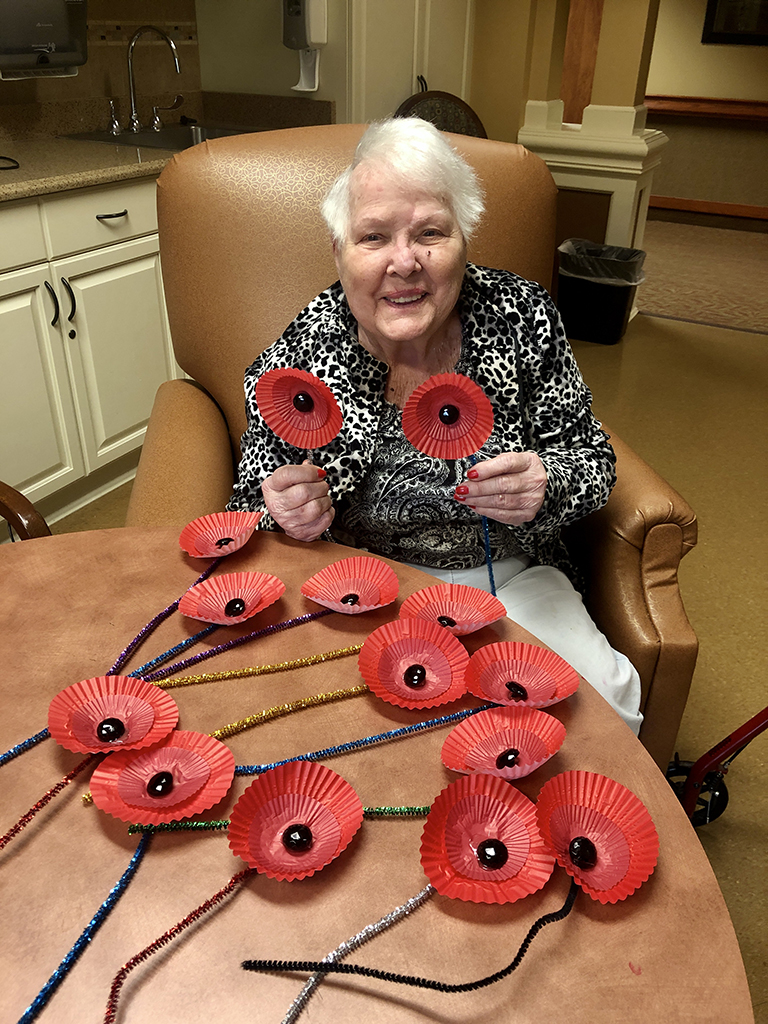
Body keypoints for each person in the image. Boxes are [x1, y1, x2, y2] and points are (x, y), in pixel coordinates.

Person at [228, 117, 642, 734]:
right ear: (338, 252)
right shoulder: (301, 353)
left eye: (430, 232)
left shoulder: (522, 316)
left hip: (508, 574)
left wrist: (545, 484)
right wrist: (283, 511)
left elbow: (592, 460)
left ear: (463, 241)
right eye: (373, 237)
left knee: (602, 706)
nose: (405, 262)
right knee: (348, 733)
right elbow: (248, 503)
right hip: (362, 584)